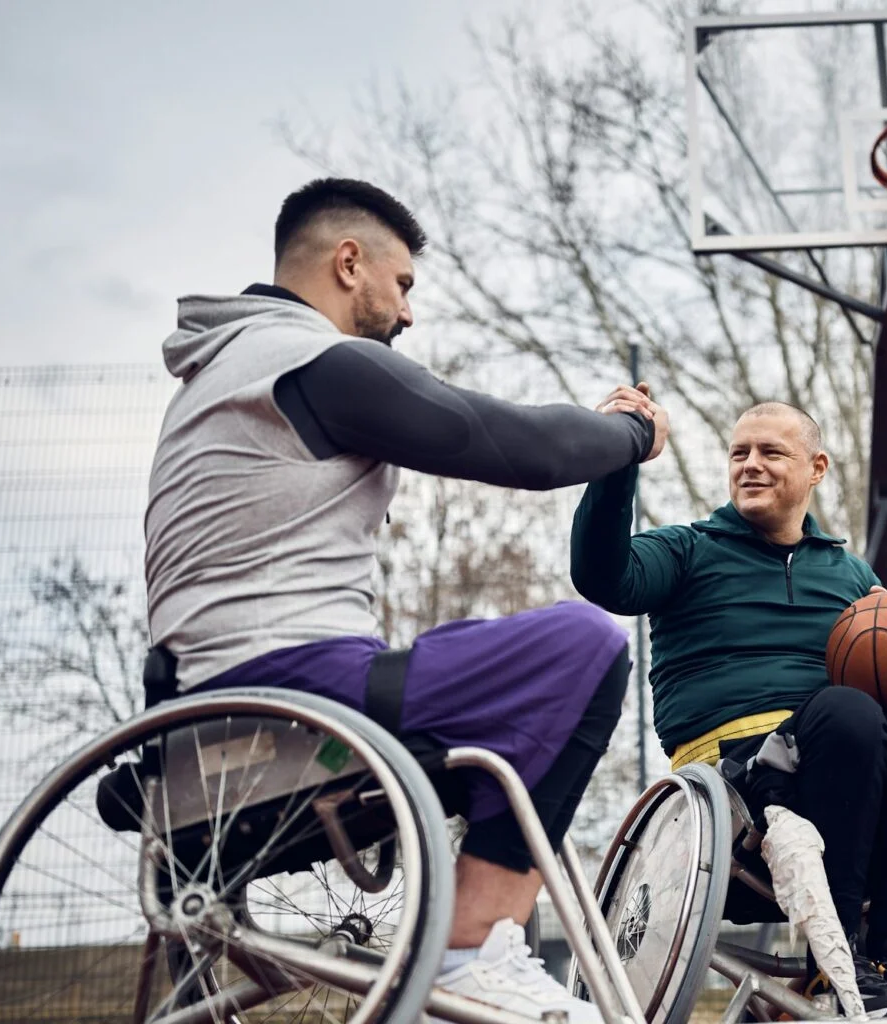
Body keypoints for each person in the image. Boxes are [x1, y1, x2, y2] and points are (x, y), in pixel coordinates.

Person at [145, 177, 669, 1023]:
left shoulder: (219, 377)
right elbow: (515, 445)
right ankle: (472, 949)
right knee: (583, 644)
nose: (408, 312)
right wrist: (629, 434)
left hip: (198, 719)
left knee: (485, 665)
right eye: (403, 284)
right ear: (349, 263)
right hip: (288, 692)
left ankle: (480, 942)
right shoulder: (309, 361)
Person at [571, 398, 887, 1017]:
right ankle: (835, 964)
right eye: (739, 453)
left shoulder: (850, 575)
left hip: (845, 768)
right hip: (734, 782)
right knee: (847, 712)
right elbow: (602, 577)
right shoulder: (687, 550)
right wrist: (618, 458)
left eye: (771, 452)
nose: (750, 464)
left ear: (817, 468)